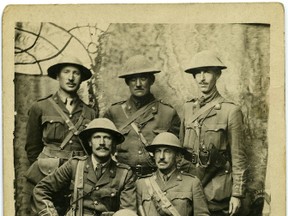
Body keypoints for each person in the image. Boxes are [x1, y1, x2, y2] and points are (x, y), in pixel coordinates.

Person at [24, 55, 98, 214]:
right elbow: (32, 148)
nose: (71, 77)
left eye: (76, 73)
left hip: (77, 176)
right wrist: (45, 168)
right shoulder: (41, 107)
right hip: (47, 175)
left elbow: (93, 150)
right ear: (58, 76)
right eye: (66, 72)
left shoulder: (90, 113)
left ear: (81, 79)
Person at [180, 50, 248, 216]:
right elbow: (181, 152)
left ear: (217, 74)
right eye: (197, 73)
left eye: (207, 72)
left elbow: (238, 157)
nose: (202, 78)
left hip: (216, 190)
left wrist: (237, 194)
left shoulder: (230, 111)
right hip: (190, 186)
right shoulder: (188, 108)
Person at [32, 118, 137, 216]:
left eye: (107, 138)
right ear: (90, 142)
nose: (102, 143)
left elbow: (127, 212)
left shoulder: (124, 174)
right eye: (97, 137)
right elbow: (41, 190)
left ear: (113, 143)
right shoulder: (74, 165)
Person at [104, 54, 182, 177]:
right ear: (127, 82)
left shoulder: (167, 113)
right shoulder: (114, 113)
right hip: (121, 180)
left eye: (143, 78)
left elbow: (178, 153)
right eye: (133, 79)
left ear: (152, 80)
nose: (138, 84)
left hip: (154, 181)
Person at [136, 132, 210, 216]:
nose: (161, 157)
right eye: (158, 151)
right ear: (154, 155)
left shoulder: (192, 183)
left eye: (167, 151)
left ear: (178, 156)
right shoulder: (142, 184)